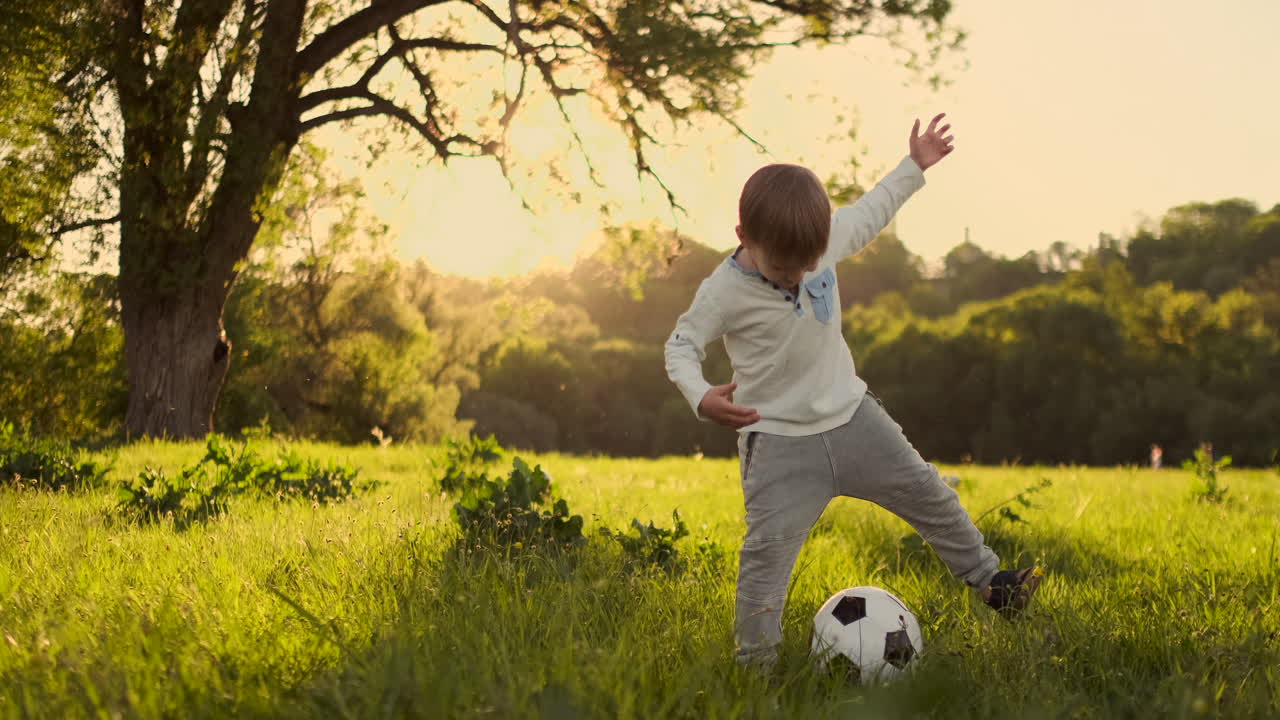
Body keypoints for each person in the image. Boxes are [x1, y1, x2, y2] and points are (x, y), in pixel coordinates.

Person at [663, 114, 1042, 668]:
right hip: (778, 444)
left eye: (808, 265)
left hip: (854, 419)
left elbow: (871, 211)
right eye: (782, 267)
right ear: (744, 237)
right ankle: (756, 665)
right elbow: (681, 345)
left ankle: (993, 583)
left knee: (931, 494)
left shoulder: (826, 239)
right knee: (765, 559)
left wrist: (915, 165)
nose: (796, 276)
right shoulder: (723, 290)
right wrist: (700, 395)